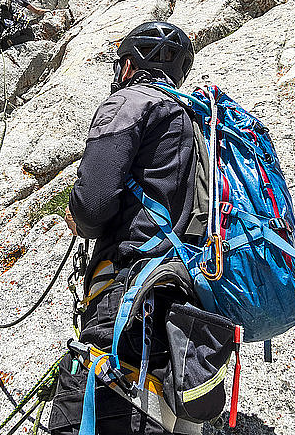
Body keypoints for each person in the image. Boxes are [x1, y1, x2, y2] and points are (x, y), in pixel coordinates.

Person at [49, 22, 197, 435]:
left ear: (129, 64)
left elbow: (93, 206)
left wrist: (76, 216)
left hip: (128, 295)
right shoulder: (195, 122)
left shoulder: (130, 101)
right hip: (186, 305)